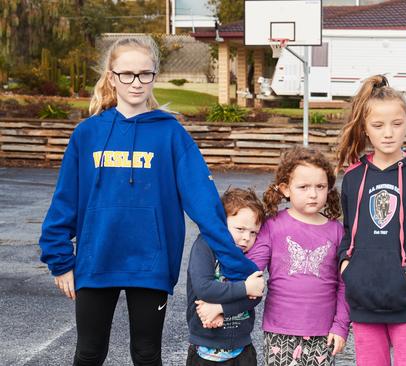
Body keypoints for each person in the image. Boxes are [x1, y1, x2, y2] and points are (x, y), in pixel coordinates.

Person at [38, 36, 258, 366]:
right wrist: (60, 259)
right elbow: (65, 200)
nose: (136, 82)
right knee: (88, 352)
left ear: (155, 75)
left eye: (145, 74)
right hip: (96, 260)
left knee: (146, 353)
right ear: (111, 76)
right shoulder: (88, 134)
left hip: (150, 264)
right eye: (127, 74)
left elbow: (205, 206)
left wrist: (237, 268)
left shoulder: (171, 135)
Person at [336, 75, 406, 366]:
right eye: (378, 125)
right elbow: (348, 235)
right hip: (364, 303)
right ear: (365, 128)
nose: (388, 133)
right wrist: (347, 268)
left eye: (396, 124)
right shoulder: (352, 178)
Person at [246, 146, 350, 366]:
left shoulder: (337, 231)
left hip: (324, 332)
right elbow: (250, 269)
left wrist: (341, 325)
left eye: (320, 187)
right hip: (279, 330)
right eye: (303, 187)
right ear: (285, 188)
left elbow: (345, 285)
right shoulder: (273, 226)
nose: (313, 194)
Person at [186, 188, 266, 366]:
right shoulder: (205, 246)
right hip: (205, 347)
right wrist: (245, 288)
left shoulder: (248, 254)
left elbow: (254, 297)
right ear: (222, 224)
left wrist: (220, 308)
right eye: (240, 229)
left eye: (253, 232)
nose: (246, 238)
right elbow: (204, 288)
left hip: (242, 348)